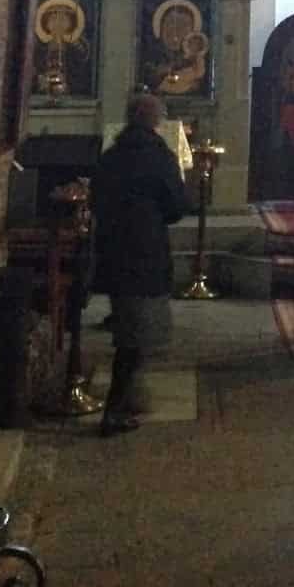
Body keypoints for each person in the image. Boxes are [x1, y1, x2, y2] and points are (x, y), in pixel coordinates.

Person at [90, 94, 190, 437]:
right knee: (135, 335)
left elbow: (96, 199)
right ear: (154, 121)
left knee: (127, 325)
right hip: (145, 249)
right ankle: (116, 408)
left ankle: (124, 401)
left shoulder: (111, 156)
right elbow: (177, 205)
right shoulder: (158, 156)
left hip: (112, 247)